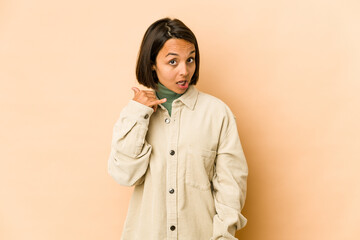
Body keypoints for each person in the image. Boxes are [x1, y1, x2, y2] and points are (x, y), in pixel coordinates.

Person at [108, 17, 248, 240]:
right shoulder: (134, 115)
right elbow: (125, 175)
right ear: (152, 63)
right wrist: (139, 114)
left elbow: (231, 188)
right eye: (173, 62)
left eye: (190, 60)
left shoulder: (217, 113)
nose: (184, 71)